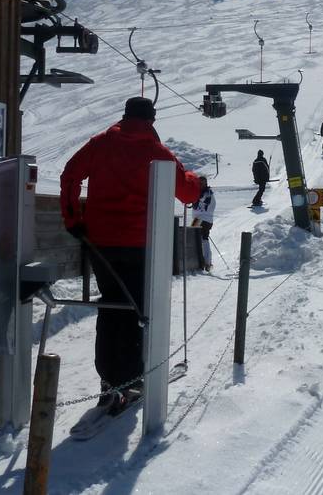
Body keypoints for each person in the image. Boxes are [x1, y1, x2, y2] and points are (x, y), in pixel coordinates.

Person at [60, 96, 200, 412]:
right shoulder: (158, 152)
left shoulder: (100, 144)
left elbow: (70, 174)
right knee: (137, 309)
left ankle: (108, 379)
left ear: (124, 115)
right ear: (151, 120)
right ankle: (132, 380)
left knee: (111, 305)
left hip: (101, 244)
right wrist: (195, 180)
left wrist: (73, 220)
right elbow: (187, 192)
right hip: (141, 243)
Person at [190, 176, 216, 271]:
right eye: (199, 183)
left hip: (204, 219)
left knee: (203, 239)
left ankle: (207, 262)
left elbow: (204, 201)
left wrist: (194, 196)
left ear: (205, 184)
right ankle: (201, 260)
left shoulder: (207, 194)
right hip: (198, 219)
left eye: (202, 183)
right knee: (195, 238)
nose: (200, 184)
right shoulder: (200, 193)